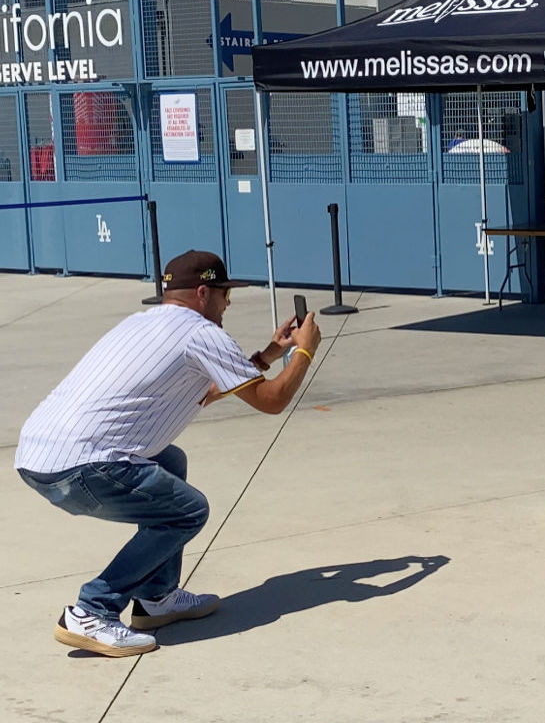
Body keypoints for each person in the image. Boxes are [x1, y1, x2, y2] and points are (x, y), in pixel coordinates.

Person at [14, 250, 321, 658]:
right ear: (201, 292)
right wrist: (303, 352)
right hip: (81, 466)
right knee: (187, 511)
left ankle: (156, 598)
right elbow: (271, 400)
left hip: (38, 456)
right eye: (224, 295)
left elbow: (205, 392)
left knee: (170, 463)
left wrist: (267, 354)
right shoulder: (201, 333)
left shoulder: (142, 323)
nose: (227, 304)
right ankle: (91, 610)